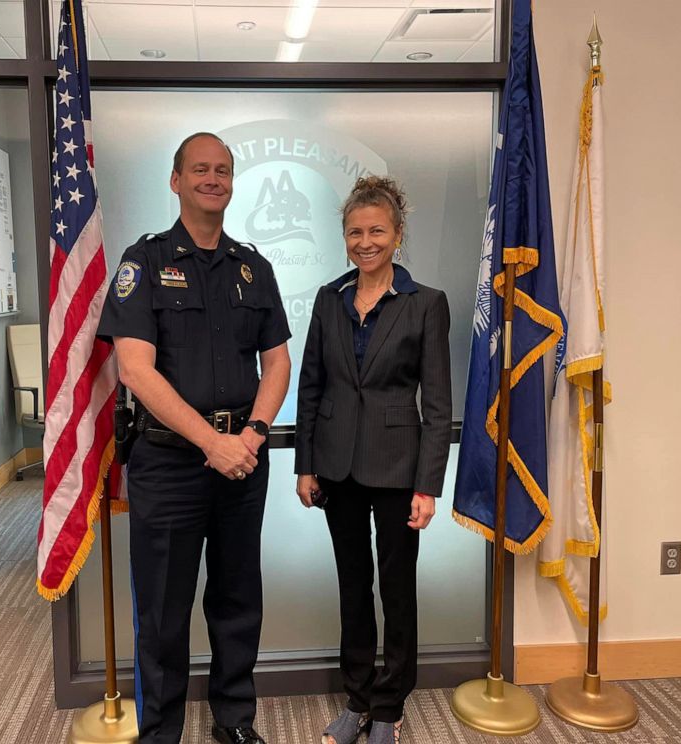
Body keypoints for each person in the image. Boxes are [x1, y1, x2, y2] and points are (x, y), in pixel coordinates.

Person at [100, 132, 291, 744]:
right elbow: (135, 369)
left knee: (238, 602)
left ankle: (234, 721)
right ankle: (161, 733)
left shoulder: (253, 267)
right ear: (176, 180)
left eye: (224, 170)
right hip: (169, 463)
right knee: (162, 612)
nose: (214, 179)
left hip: (242, 462)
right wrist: (212, 442)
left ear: (232, 183)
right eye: (200, 169)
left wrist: (254, 434)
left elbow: (278, 361)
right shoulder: (146, 262)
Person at [294, 176, 452, 744]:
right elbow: (311, 386)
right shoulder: (327, 298)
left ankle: (389, 707)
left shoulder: (426, 304)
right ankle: (357, 697)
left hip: (396, 468)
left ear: (398, 235)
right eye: (356, 231)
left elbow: (437, 403)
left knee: (397, 588)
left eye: (377, 231)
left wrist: (427, 485)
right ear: (344, 237)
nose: (366, 241)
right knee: (352, 585)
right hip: (336, 467)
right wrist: (305, 466)